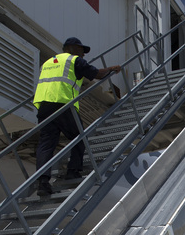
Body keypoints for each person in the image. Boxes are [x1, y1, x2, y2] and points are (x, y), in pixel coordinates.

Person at [32, 37, 121, 197]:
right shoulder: (73, 61)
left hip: (44, 107)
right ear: (71, 48)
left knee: (46, 145)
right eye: (82, 50)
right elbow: (97, 74)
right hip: (63, 105)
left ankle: (43, 183)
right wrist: (112, 69)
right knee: (80, 138)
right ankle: (73, 172)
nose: (83, 55)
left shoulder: (48, 62)